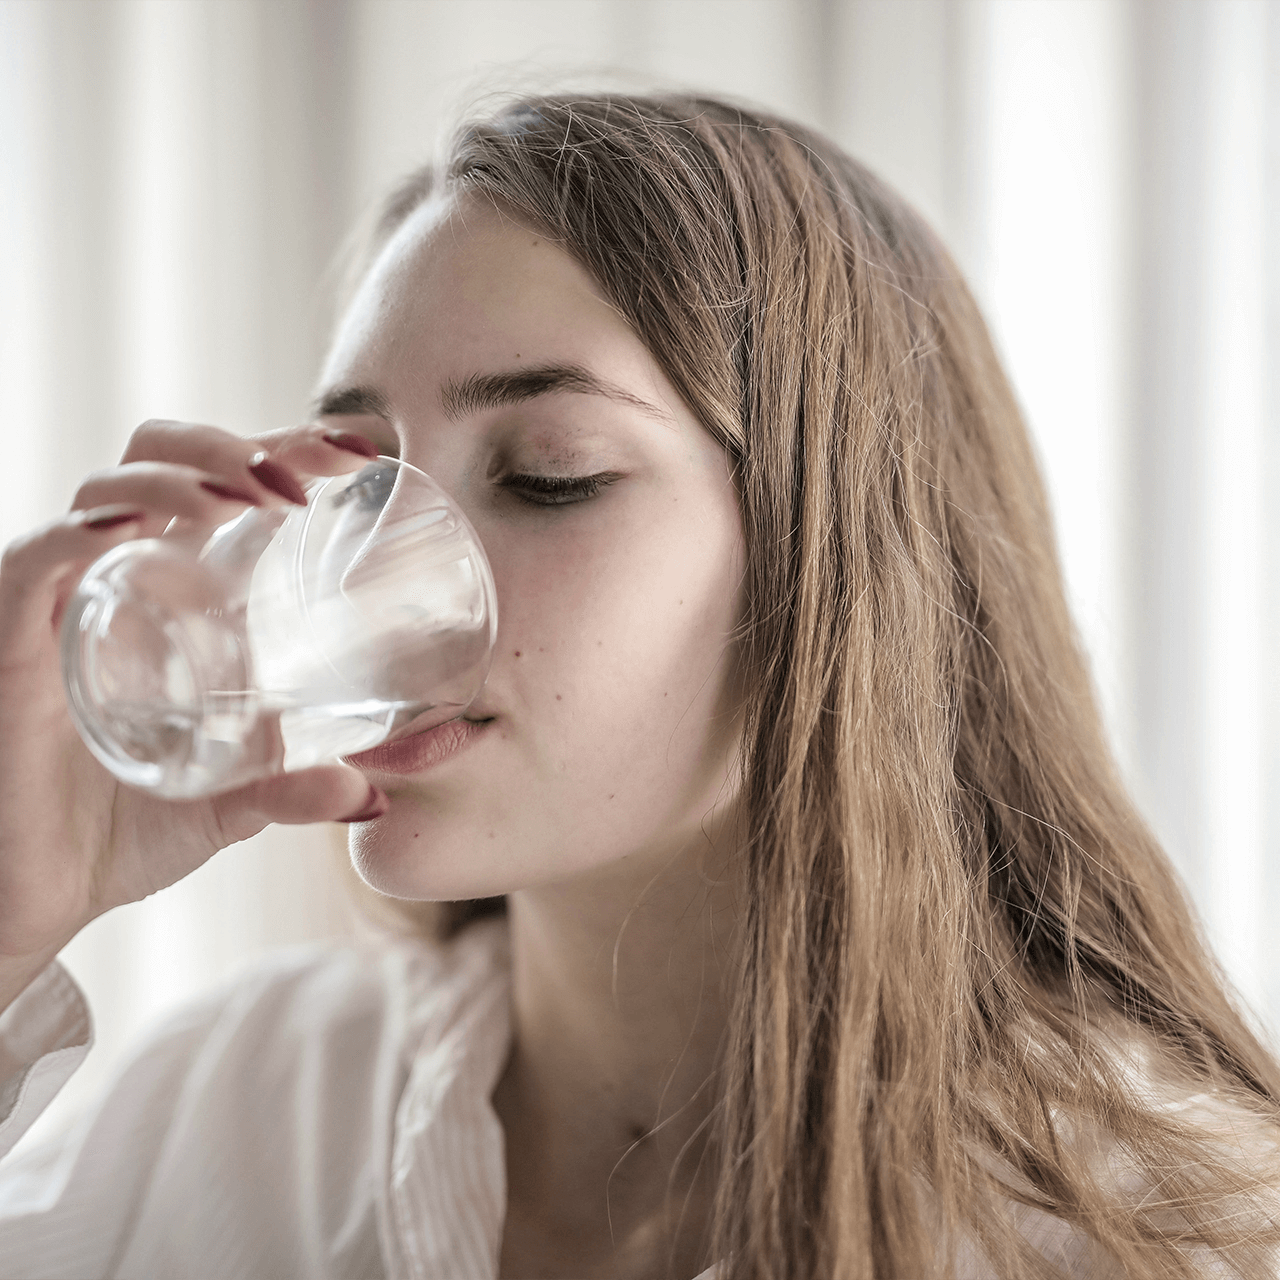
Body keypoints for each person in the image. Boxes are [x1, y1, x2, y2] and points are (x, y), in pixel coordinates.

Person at [0, 91, 1277, 1280]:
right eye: (361, 479)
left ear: (832, 565)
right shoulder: (235, 1105)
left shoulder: (1159, 1228)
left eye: (549, 473)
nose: (370, 584)